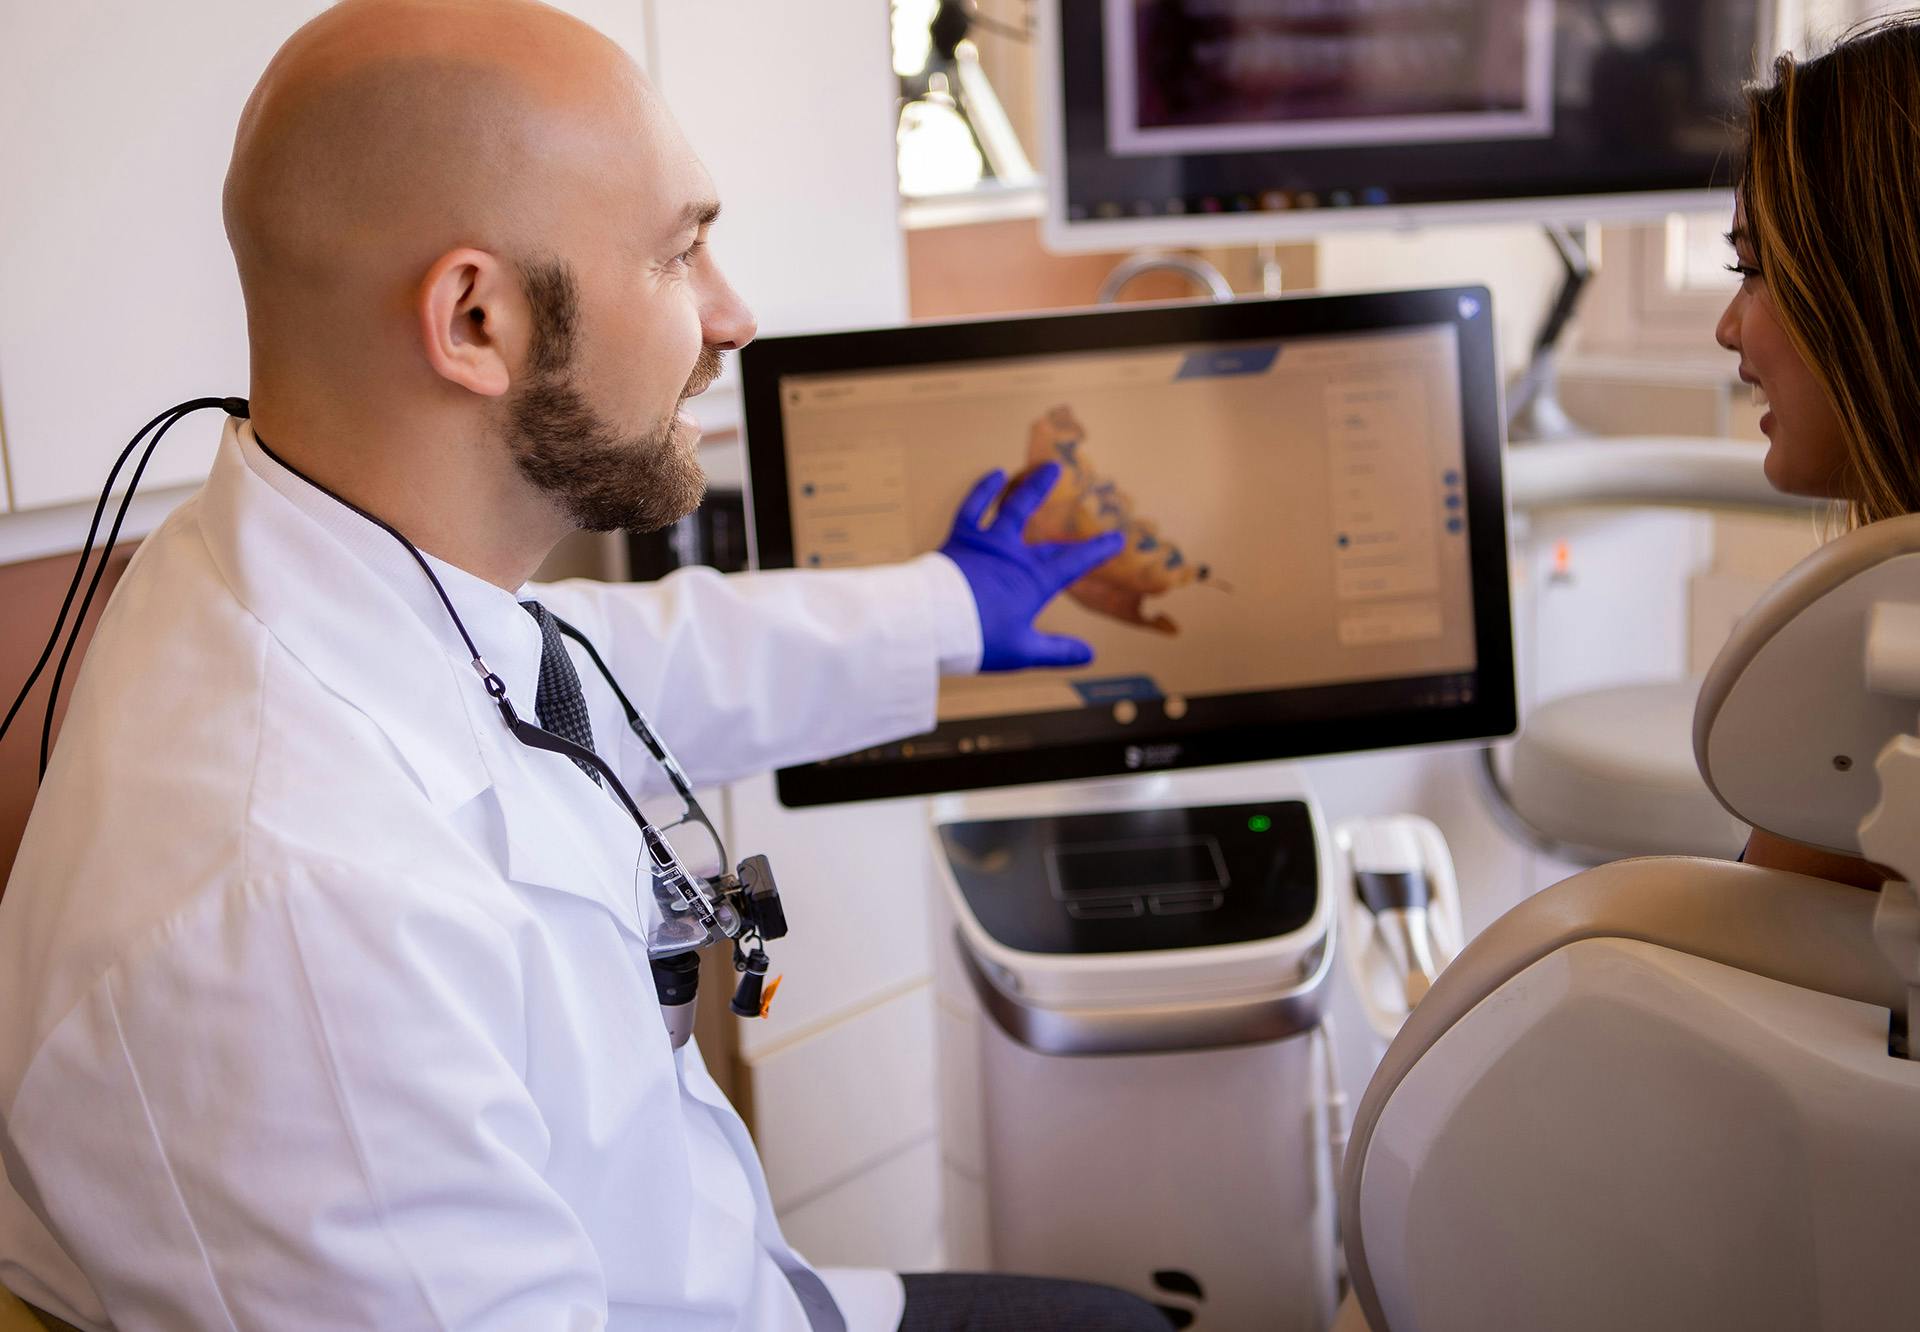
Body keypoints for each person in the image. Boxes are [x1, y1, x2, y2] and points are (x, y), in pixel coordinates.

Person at [0, 2, 1169, 1329]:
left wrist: (949, 607)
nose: (733, 317)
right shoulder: (296, 923)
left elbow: (595, 674)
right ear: (477, 322)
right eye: (680, 256)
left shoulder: (286, 565)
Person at [1715, 10, 1920, 892]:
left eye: (1752, 272)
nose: (1728, 329)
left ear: (1874, 291)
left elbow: (1738, 977)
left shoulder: (1886, 667)